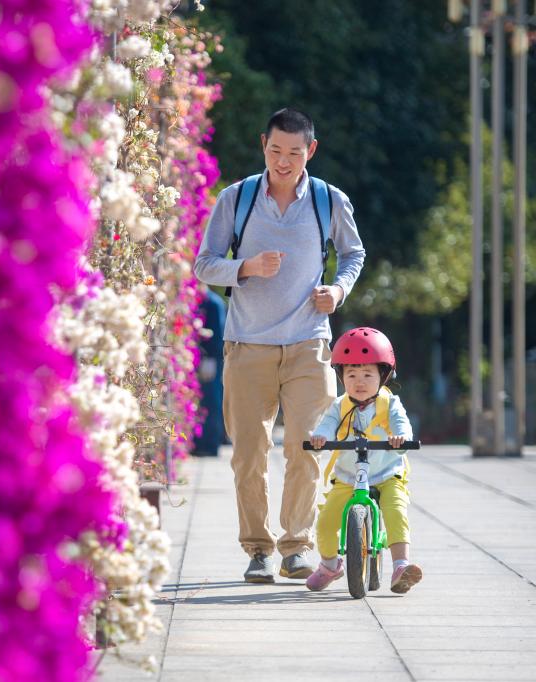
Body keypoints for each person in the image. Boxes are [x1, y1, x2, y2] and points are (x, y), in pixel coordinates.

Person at [193, 108, 366, 583]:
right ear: (263, 146)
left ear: (311, 151)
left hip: (310, 344)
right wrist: (245, 267)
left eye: (294, 152)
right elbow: (204, 264)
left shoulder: (329, 200)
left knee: (308, 447)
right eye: (275, 150)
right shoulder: (237, 198)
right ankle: (258, 549)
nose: (283, 161)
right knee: (249, 455)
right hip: (247, 345)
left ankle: (296, 546)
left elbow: (353, 253)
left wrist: (338, 291)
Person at [307, 327, 423, 594]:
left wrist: (401, 437)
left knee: (395, 510)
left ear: (383, 375)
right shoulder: (339, 406)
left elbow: (402, 424)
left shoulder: (390, 404)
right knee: (325, 521)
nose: (359, 382)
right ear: (341, 377)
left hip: (386, 473)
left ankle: (401, 566)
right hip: (349, 476)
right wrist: (320, 437)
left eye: (368, 375)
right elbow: (327, 425)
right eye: (351, 375)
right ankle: (329, 566)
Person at [192, 287, 226, 457]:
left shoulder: (212, 302)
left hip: (210, 359)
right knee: (203, 401)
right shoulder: (203, 300)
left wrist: (211, 358)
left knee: (211, 401)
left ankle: (211, 444)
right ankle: (200, 443)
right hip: (201, 359)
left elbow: (218, 334)